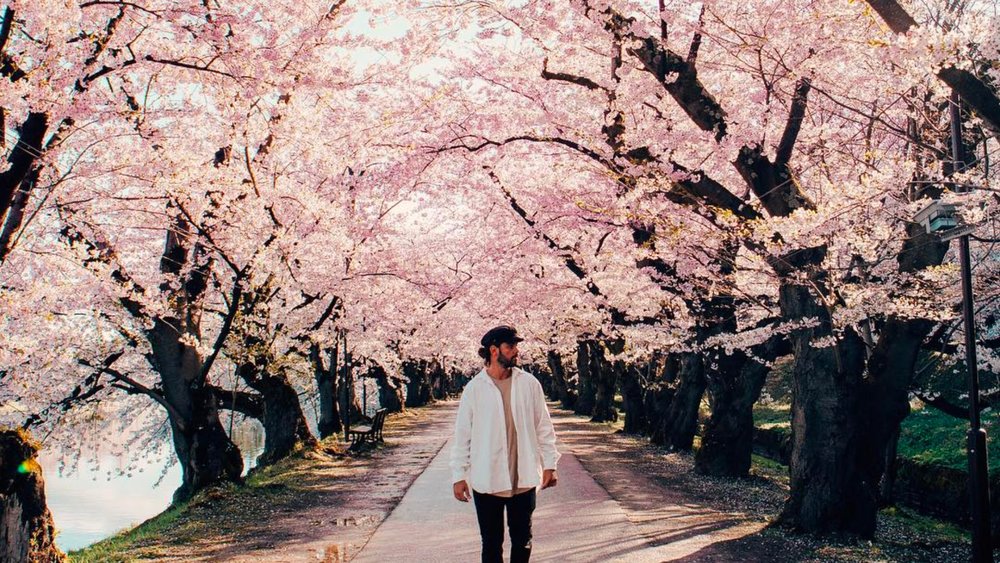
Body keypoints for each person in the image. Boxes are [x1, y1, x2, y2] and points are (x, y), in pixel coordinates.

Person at [450, 325, 561, 563]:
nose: (516, 351)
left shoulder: (529, 384)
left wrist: (550, 463)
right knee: (491, 544)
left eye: (516, 346)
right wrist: (458, 475)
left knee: (523, 541)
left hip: (524, 480)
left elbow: (544, 426)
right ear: (493, 350)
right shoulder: (474, 389)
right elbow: (462, 436)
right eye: (510, 346)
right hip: (488, 481)